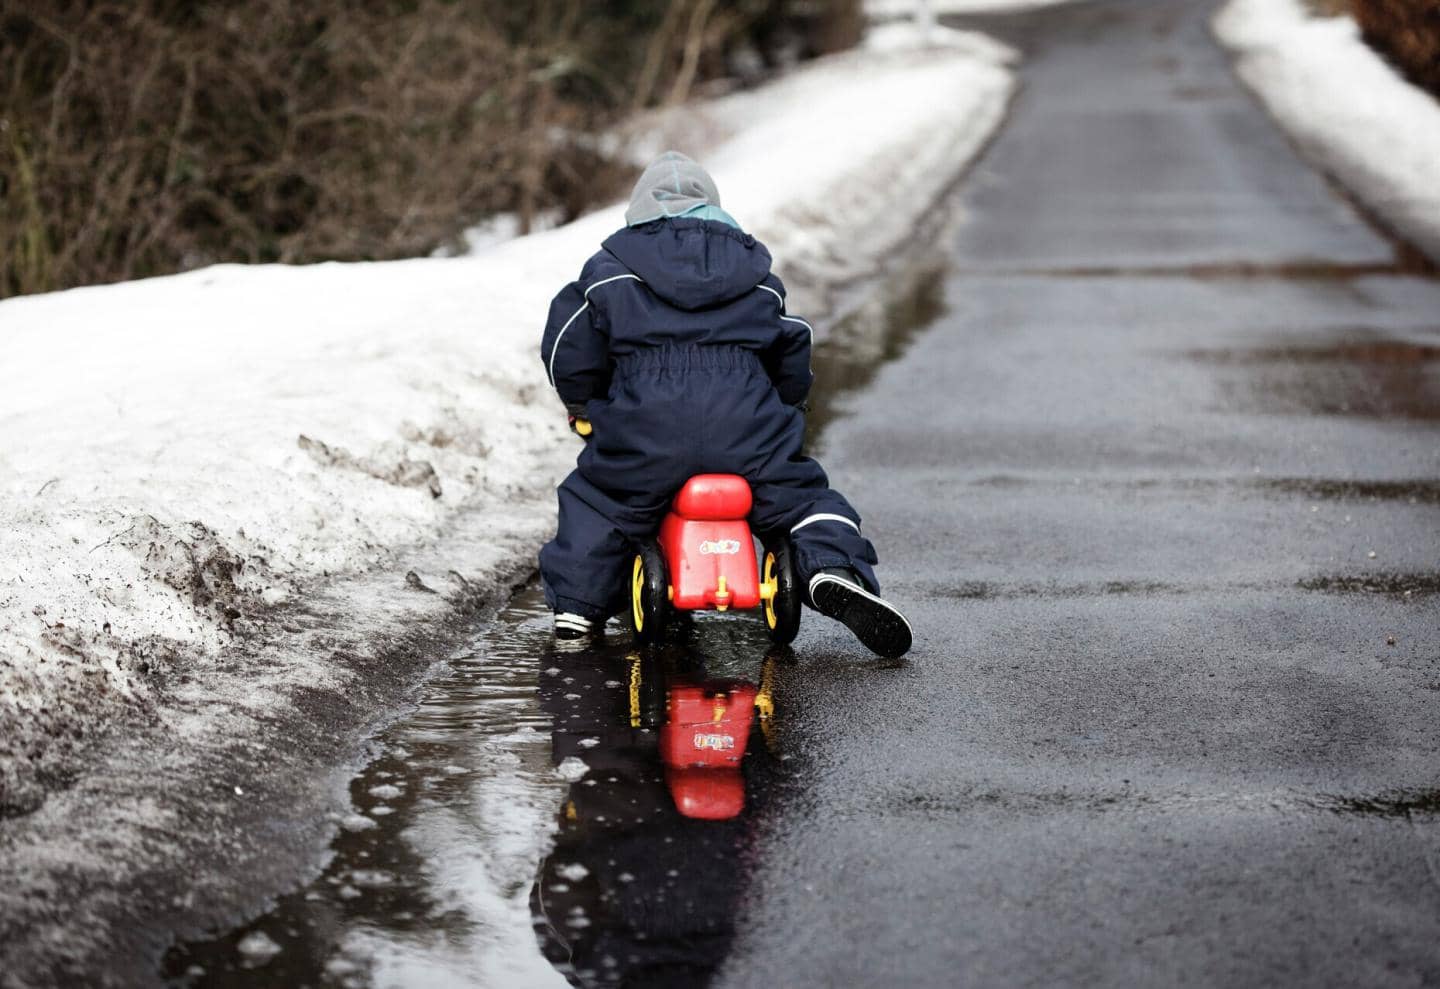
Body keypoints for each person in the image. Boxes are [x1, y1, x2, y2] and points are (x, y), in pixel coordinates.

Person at [537, 151, 912, 658]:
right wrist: (786, 404)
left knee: (600, 500)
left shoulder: (609, 272)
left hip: (645, 429)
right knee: (801, 498)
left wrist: (586, 404)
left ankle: (577, 608)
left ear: (638, 212)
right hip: (747, 429)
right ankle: (831, 567)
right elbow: (792, 342)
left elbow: (568, 346)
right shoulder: (755, 273)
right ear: (714, 209)